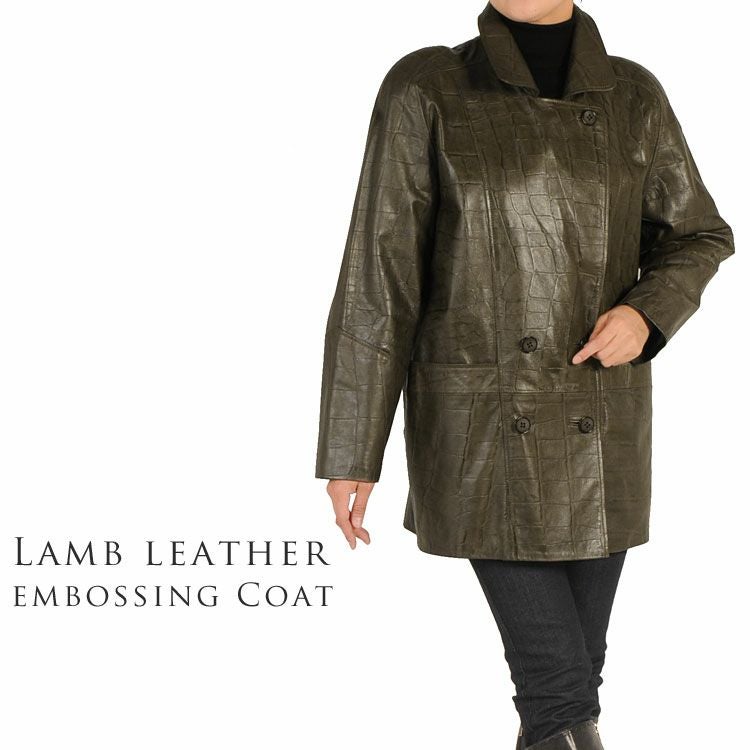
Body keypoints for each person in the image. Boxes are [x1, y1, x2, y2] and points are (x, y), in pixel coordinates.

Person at [314, 1, 735, 748]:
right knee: (561, 694)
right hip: (483, 427)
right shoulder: (427, 85)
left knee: (570, 688)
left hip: (599, 425)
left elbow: (698, 233)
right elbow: (381, 273)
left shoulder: (632, 94)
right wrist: (353, 446)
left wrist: (647, 314)